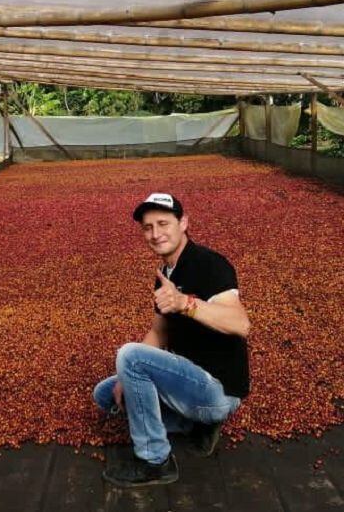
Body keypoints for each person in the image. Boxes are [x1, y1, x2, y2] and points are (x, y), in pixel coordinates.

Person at [93, 192, 251, 488]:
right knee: (105, 393)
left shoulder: (209, 264)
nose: (155, 234)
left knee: (131, 356)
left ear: (184, 223)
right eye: (148, 227)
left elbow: (240, 324)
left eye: (163, 223)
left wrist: (184, 303)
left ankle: (156, 461)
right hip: (190, 382)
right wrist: (124, 379)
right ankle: (194, 426)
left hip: (217, 391)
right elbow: (158, 332)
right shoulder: (165, 273)